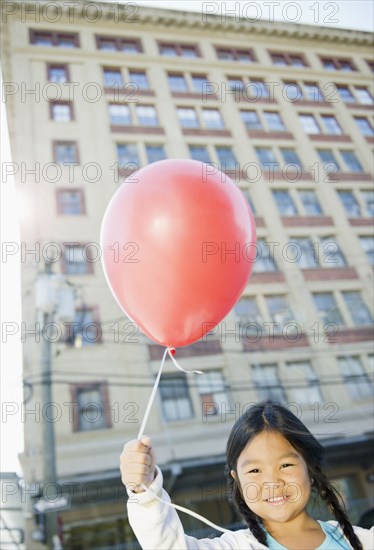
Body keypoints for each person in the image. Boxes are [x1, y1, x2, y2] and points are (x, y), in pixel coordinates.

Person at [120, 401, 373, 549]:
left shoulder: (363, 541)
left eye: (285, 465)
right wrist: (144, 488)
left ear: (309, 466)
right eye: (254, 470)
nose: (272, 482)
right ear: (237, 480)